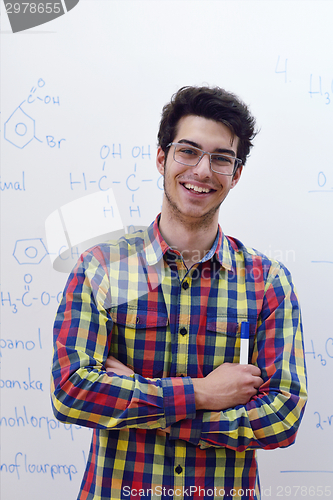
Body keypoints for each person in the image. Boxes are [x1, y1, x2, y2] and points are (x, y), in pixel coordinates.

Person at [51, 86, 307, 500]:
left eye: (221, 158)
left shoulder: (267, 281)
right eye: (188, 151)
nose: (203, 170)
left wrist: (165, 412)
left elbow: (283, 415)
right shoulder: (103, 268)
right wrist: (204, 394)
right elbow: (72, 392)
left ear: (236, 174)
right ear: (162, 158)